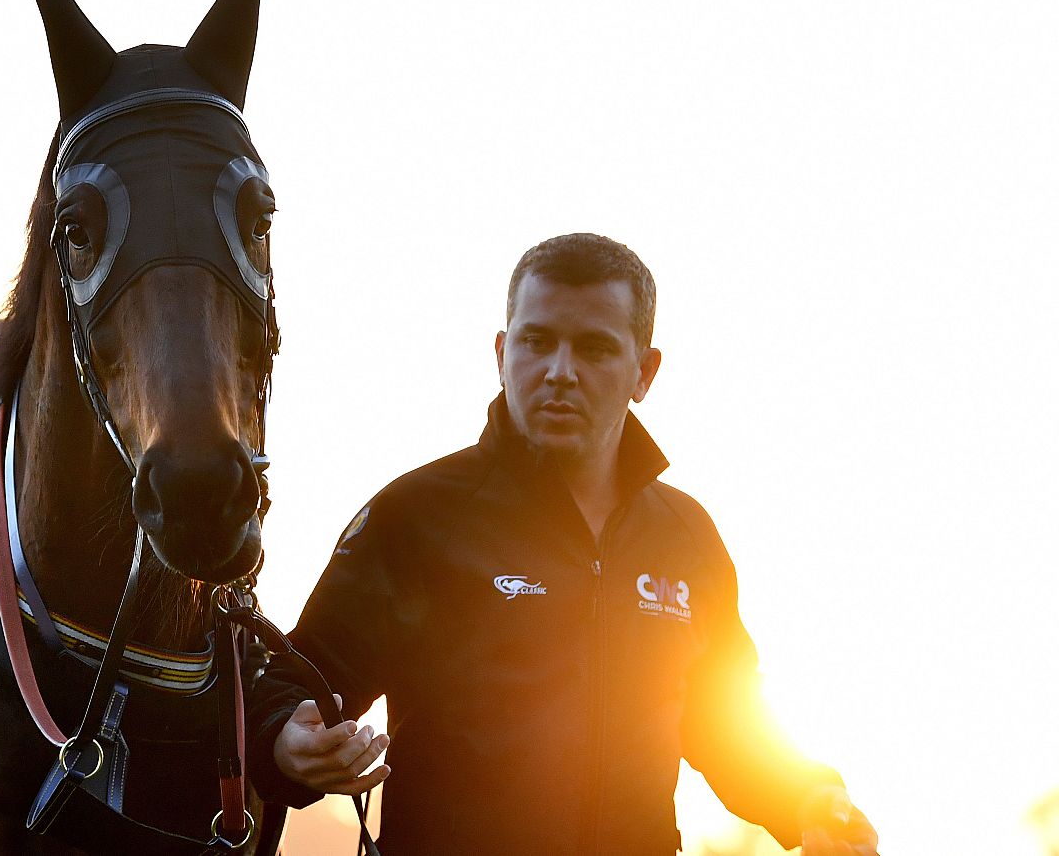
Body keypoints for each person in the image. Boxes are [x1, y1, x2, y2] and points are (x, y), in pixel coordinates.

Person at [247, 233, 879, 854]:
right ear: (500, 352)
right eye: (536, 341)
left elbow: (728, 724)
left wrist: (806, 798)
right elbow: (299, 675)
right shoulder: (417, 516)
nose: (559, 372)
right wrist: (286, 741)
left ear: (645, 372)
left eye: (595, 349)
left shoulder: (686, 537)